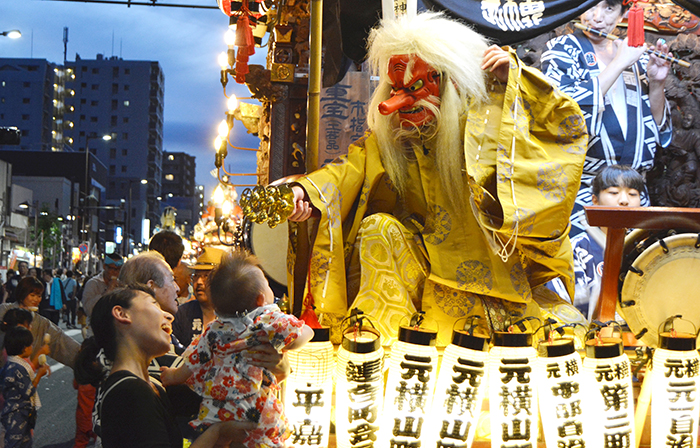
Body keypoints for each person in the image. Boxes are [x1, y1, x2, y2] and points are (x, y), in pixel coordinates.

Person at [285, 12, 587, 345]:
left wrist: (517, 79)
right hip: (424, 273)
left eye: (415, 88)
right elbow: (349, 169)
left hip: (505, 283)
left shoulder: (493, 121)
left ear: (449, 80)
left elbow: (562, 128)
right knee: (377, 231)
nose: (399, 102)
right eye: (396, 89)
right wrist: (305, 192)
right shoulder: (396, 137)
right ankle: (381, 345)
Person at [540, 0, 672, 236]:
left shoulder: (638, 56)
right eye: (590, 6)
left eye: (609, 8)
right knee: (588, 265)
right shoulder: (561, 49)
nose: (597, 17)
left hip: (634, 193)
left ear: (624, 14)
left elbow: (657, 125)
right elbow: (560, 111)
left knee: (638, 268)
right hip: (586, 190)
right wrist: (620, 62)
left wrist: (656, 83)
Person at [161, 250, 314, 448]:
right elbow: (297, 336)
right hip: (257, 404)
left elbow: (194, 359)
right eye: (268, 287)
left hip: (219, 405)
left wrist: (173, 376)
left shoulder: (214, 329)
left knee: (220, 442)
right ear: (260, 299)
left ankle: (221, 447)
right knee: (274, 444)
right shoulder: (267, 319)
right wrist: (307, 331)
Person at [86, 285, 255, 448]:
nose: (169, 316)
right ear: (122, 314)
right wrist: (217, 432)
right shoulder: (129, 392)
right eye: (154, 304)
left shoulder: (153, 385)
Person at [549, 165, 645, 320]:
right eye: (614, 192)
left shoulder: (647, 248)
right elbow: (562, 304)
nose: (624, 201)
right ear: (595, 201)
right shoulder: (577, 248)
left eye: (632, 194)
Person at [0, 277, 79, 369]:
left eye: (39, 296)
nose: (36, 300)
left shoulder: (42, 323)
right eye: (32, 295)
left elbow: (60, 339)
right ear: (22, 294)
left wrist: (85, 355)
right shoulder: (4, 310)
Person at [0, 326, 51, 448]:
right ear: (24, 348)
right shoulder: (18, 369)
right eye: (31, 345)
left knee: (25, 443)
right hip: (17, 413)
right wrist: (39, 375)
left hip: (18, 412)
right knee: (13, 447)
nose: (32, 347)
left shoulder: (10, 365)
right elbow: (28, 391)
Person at [172, 247, 224, 346]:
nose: (199, 282)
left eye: (206, 276)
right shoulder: (182, 314)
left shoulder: (234, 314)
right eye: (196, 276)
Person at [82, 253, 124, 323]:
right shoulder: (93, 283)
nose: (115, 272)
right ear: (104, 267)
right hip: (95, 329)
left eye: (118, 269)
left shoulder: (121, 285)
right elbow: (88, 310)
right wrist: (109, 290)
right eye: (111, 268)